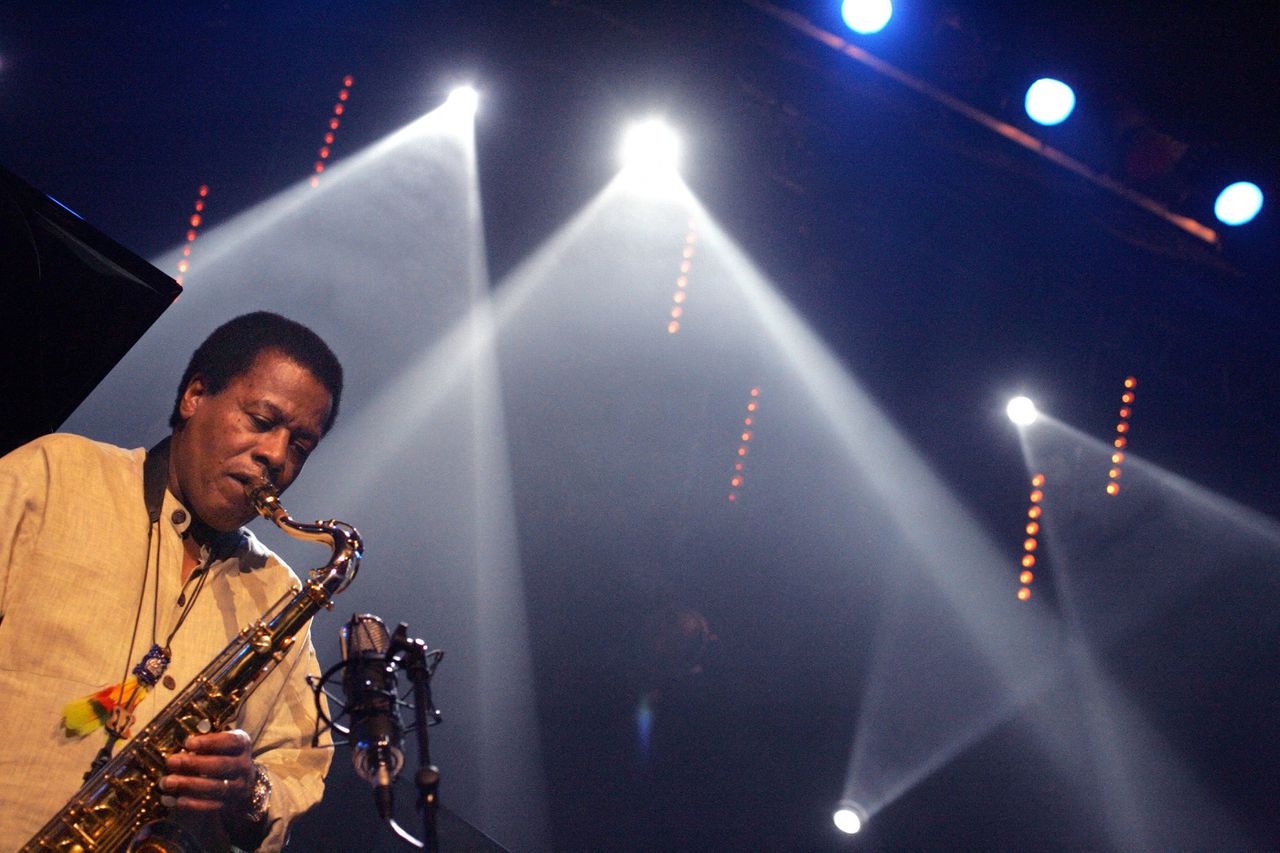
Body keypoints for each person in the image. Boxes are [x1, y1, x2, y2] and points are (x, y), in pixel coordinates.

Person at [0, 311, 343, 851]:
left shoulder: (280, 596)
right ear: (195, 396)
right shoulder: (52, 475)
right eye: (260, 420)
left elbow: (296, 768)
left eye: (300, 444)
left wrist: (248, 789)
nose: (276, 456)